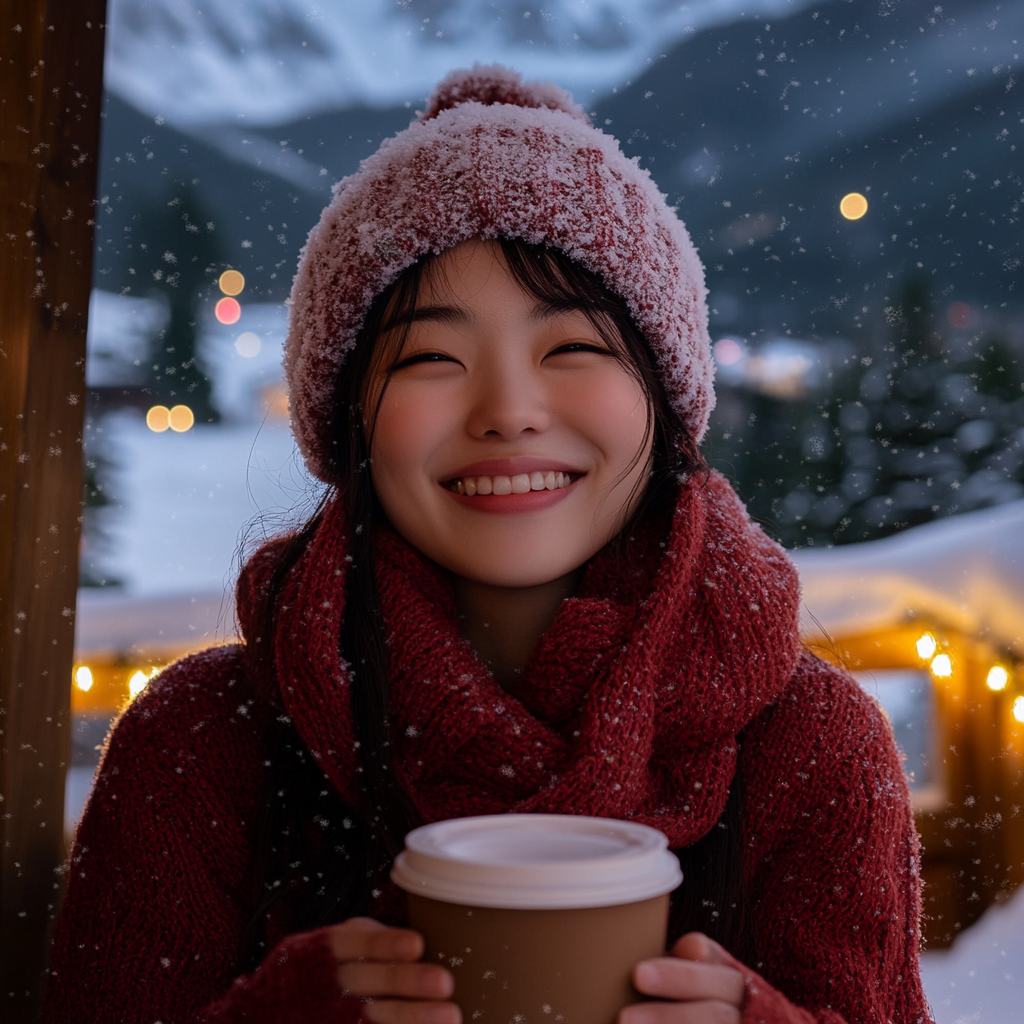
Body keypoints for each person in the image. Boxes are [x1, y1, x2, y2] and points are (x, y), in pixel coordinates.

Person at [43, 66, 934, 1024]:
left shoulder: (811, 748)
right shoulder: (204, 744)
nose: (509, 411)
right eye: (431, 358)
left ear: (664, 402)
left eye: (575, 349)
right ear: (351, 424)